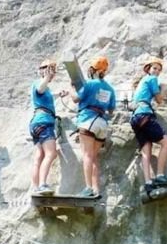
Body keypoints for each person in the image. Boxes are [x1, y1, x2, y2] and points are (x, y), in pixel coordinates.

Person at [71, 55, 116, 198]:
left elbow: (75, 98)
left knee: (87, 156)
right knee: (94, 157)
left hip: (88, 119)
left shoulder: (90, 84)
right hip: (102, 123)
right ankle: (96, 189)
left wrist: (71, 88)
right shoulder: (110, 88)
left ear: (93, 70)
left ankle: (88, 188)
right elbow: (111, 110)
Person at [130, 57, 167, 192]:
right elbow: (159, 99)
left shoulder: (142, 82)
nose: (157, 72)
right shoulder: (151, 79)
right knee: (166, 143)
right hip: (144, 114)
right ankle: (160, 175)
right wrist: (164, 88)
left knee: (146, 150)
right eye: (155, 68)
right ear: (148, 68)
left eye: (159, 70)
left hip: (135, 117)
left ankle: (148, 182)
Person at [30, 59, 68, 196]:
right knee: (51, 153)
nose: (52, 76)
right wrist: (46, 76)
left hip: (36, 123)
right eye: (51, 73)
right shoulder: (38, 84)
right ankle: (42, 185)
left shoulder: (45, 88)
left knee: (39, 156)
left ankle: (35, 187)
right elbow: (40, 88)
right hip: (44, 122)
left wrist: (59, 94)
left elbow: (46, 93)